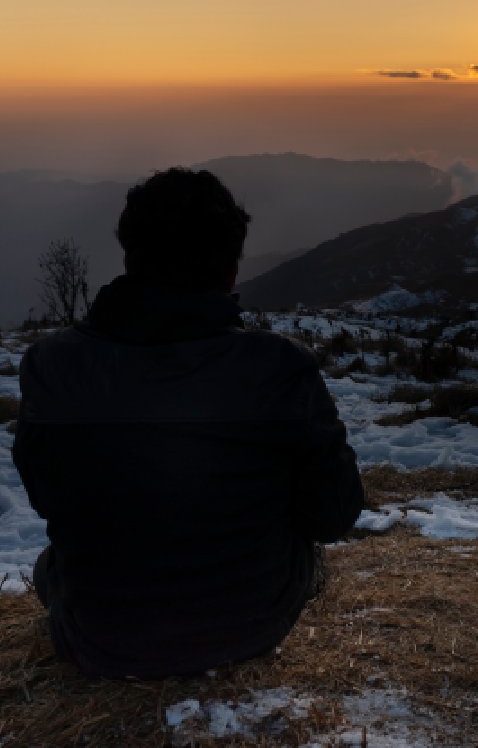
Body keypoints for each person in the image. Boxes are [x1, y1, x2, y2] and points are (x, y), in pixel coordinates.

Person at [13, 168, 363, 678]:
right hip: (251, 626)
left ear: (130, 257)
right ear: (231, 271)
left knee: (50, 568)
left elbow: (51, 499)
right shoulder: (279, 368)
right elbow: (334, 515)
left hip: (101, 639)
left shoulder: (52, 365)